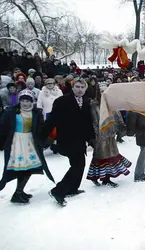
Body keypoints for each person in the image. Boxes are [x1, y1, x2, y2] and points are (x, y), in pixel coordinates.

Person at [41, 78, 95, 206]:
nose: (80, 89)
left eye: (82, 87)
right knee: (77, 165)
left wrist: (91, 138)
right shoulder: (62, 101)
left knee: (79, 164)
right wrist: (41, 136)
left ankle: (72, 189)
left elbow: (88, 122)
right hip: (67, 139)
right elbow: (51, 120)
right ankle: (58, 191)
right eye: (77, 87)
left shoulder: (87, 102)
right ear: (72, 87)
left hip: (80, 139)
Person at [0, 89, 54, 203]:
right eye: (23, 100)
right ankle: (18, 193)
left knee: (30, 168)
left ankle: (19, 191)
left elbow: (41, 128)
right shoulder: (11, 112)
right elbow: (1, 128)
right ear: (19, 101)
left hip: (30, 143)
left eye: (28, 101)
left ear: (32, 101)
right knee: (22, 169)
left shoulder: (36, 113)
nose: (25, 103)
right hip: (16, 143)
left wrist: (45, 139)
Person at [86, 82, 131, 187]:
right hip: (101, 135)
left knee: (109, 155)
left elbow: (117, 116)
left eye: (106, 91)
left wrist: (121, 127)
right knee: (102, 156)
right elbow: (94, 121)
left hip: (111, 134)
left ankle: (99, 177)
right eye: (102, 91)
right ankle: (105, 178)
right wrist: (96, 136)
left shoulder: (111, 103)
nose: (104, 93)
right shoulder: (94, 105)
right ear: (98, 92)